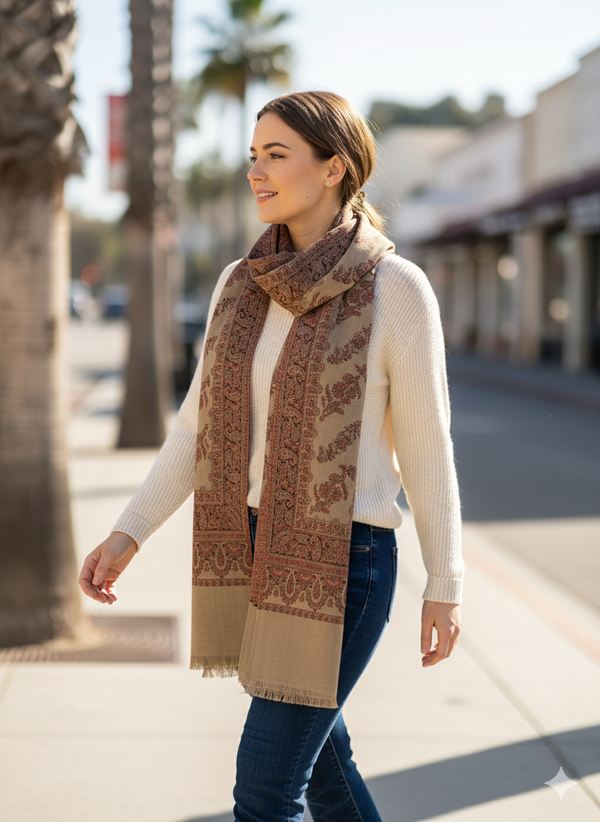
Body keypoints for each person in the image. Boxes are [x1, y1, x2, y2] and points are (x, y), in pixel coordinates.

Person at [79, 90, 463, 822]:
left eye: (276, 156)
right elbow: (196, 428)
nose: (256, 171)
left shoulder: (396, 289)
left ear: (333, 168)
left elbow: (426, 447)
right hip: (257, 551)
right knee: (326, 775)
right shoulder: (240, 284)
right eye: (253, 156)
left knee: (264, 790)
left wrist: (445, 581)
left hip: (346, 565)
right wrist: (129, 532)